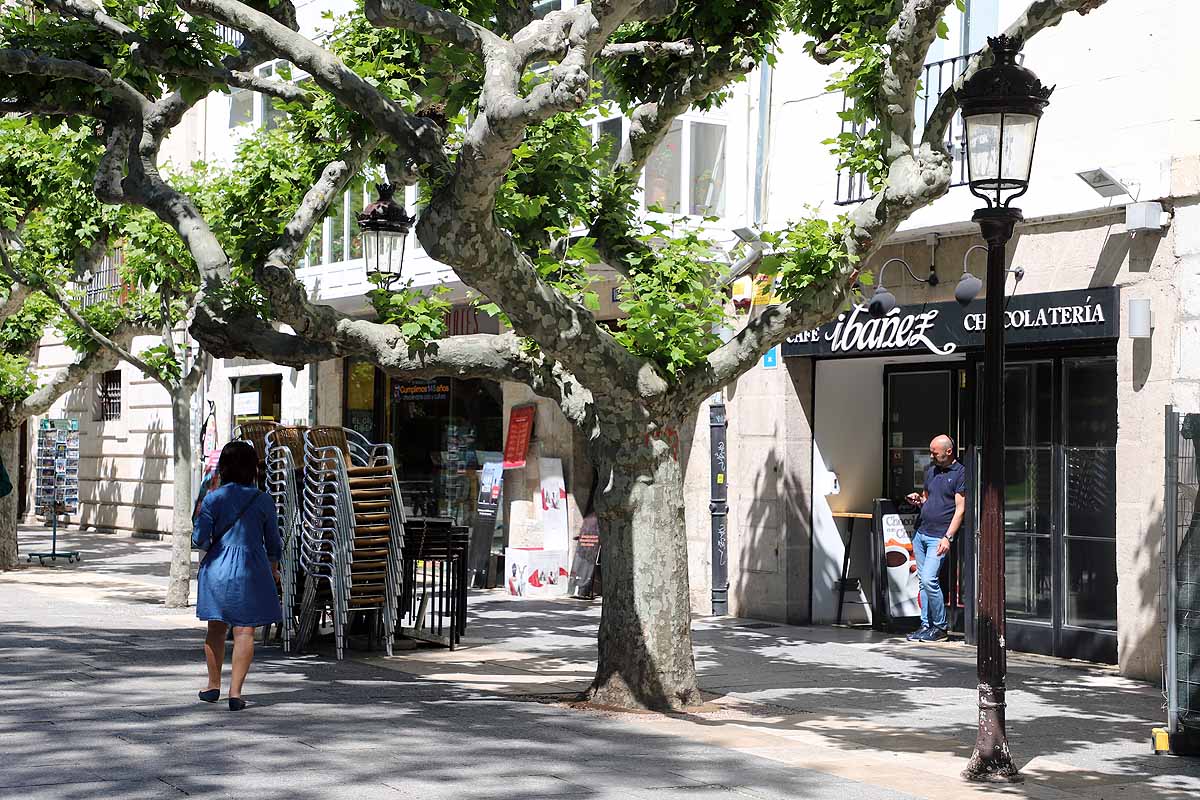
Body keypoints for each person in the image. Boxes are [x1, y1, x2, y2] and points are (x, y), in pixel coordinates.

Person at [192, 440, 282, 710]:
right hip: (251, 569)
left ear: (225, 467)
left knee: (216, 630)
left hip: (217, 568)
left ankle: (212, 685)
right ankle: (236, 692)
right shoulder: (263, 499)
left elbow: (199, 538)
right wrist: (274, 567)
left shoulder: (213, 497)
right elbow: (274, 543)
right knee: (245, 632)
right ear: (253, 468)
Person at [904, 434, 966, 643]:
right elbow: (927, 499)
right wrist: (918, 501)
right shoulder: (931, 471)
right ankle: (925, 625)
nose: (931, 455)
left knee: (930, 579)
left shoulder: (960, 473)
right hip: (921, 532)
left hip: (939, 537)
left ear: (948, 451)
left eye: (934, 452)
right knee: (923, 582)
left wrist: (948, 537)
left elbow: (960, 510)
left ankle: (939, 627)